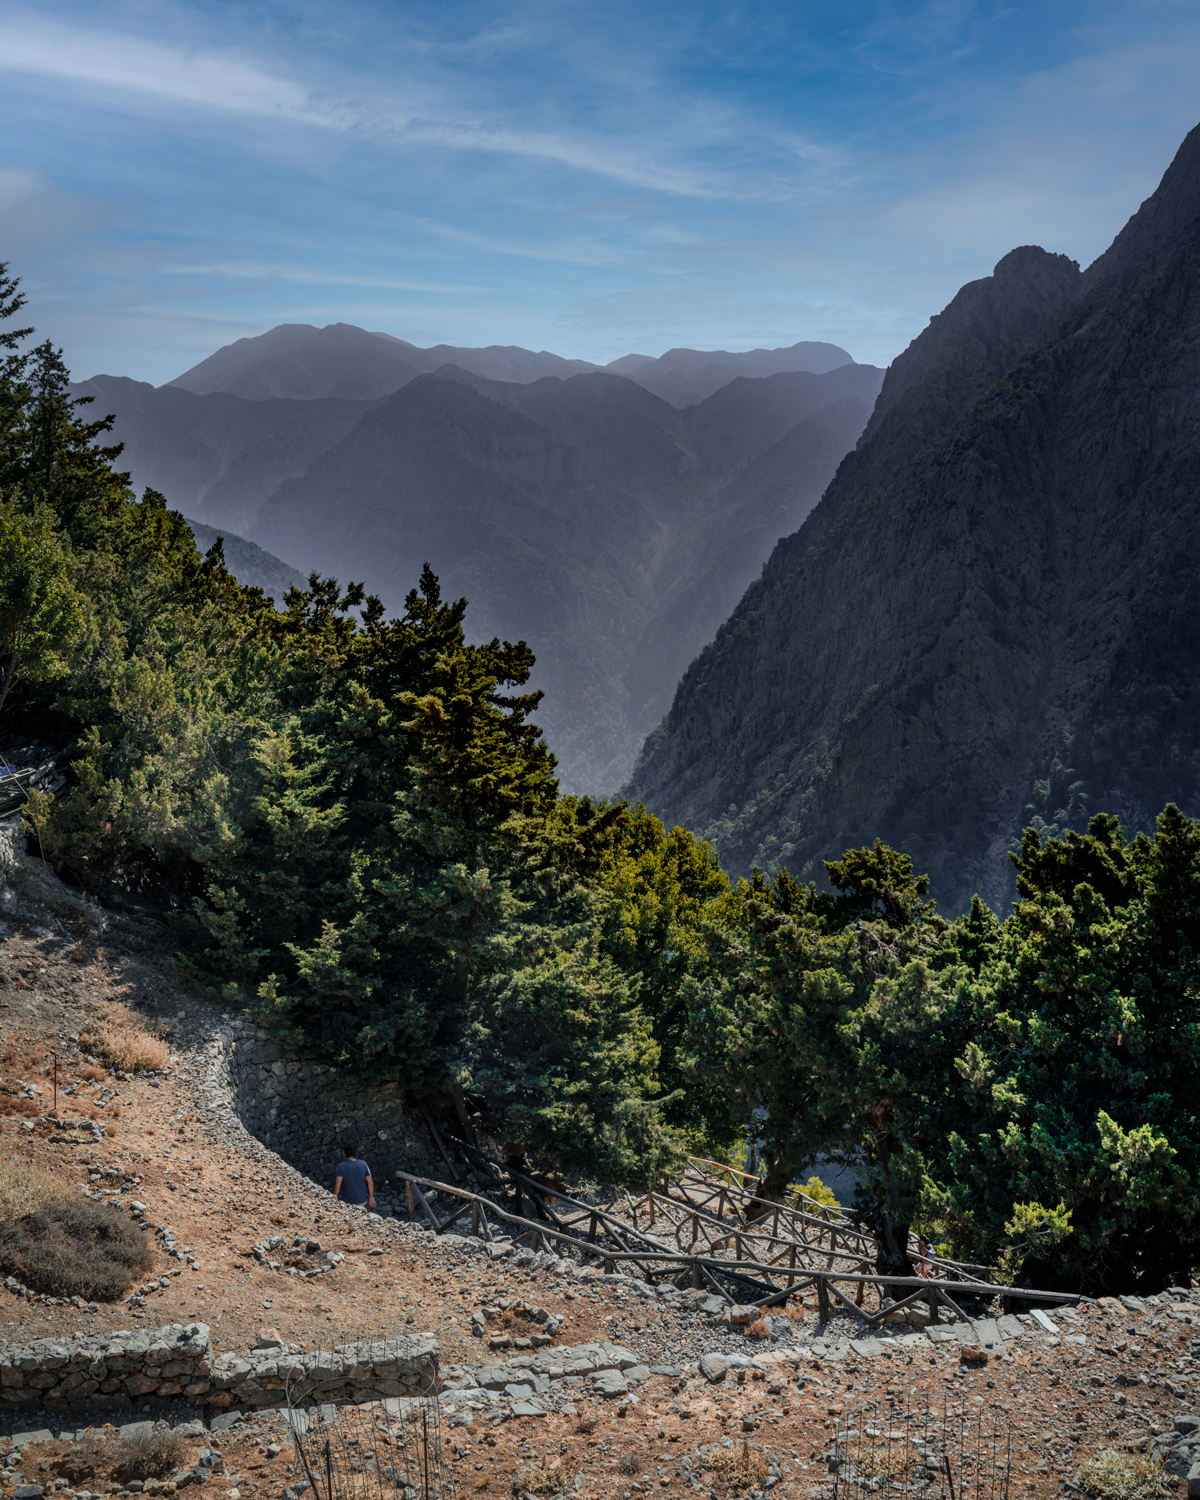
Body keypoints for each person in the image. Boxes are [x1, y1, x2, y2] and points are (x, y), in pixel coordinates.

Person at [333, 1143, 376, 1210]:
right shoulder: (363, 1164)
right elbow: (370, 1182)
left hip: (347, 1203)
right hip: (362, 1201)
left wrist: (333, 1200)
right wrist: (371, 1197)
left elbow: (337, 1187)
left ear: (344, 1153)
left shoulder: (340, 1167)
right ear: (355, 1152)